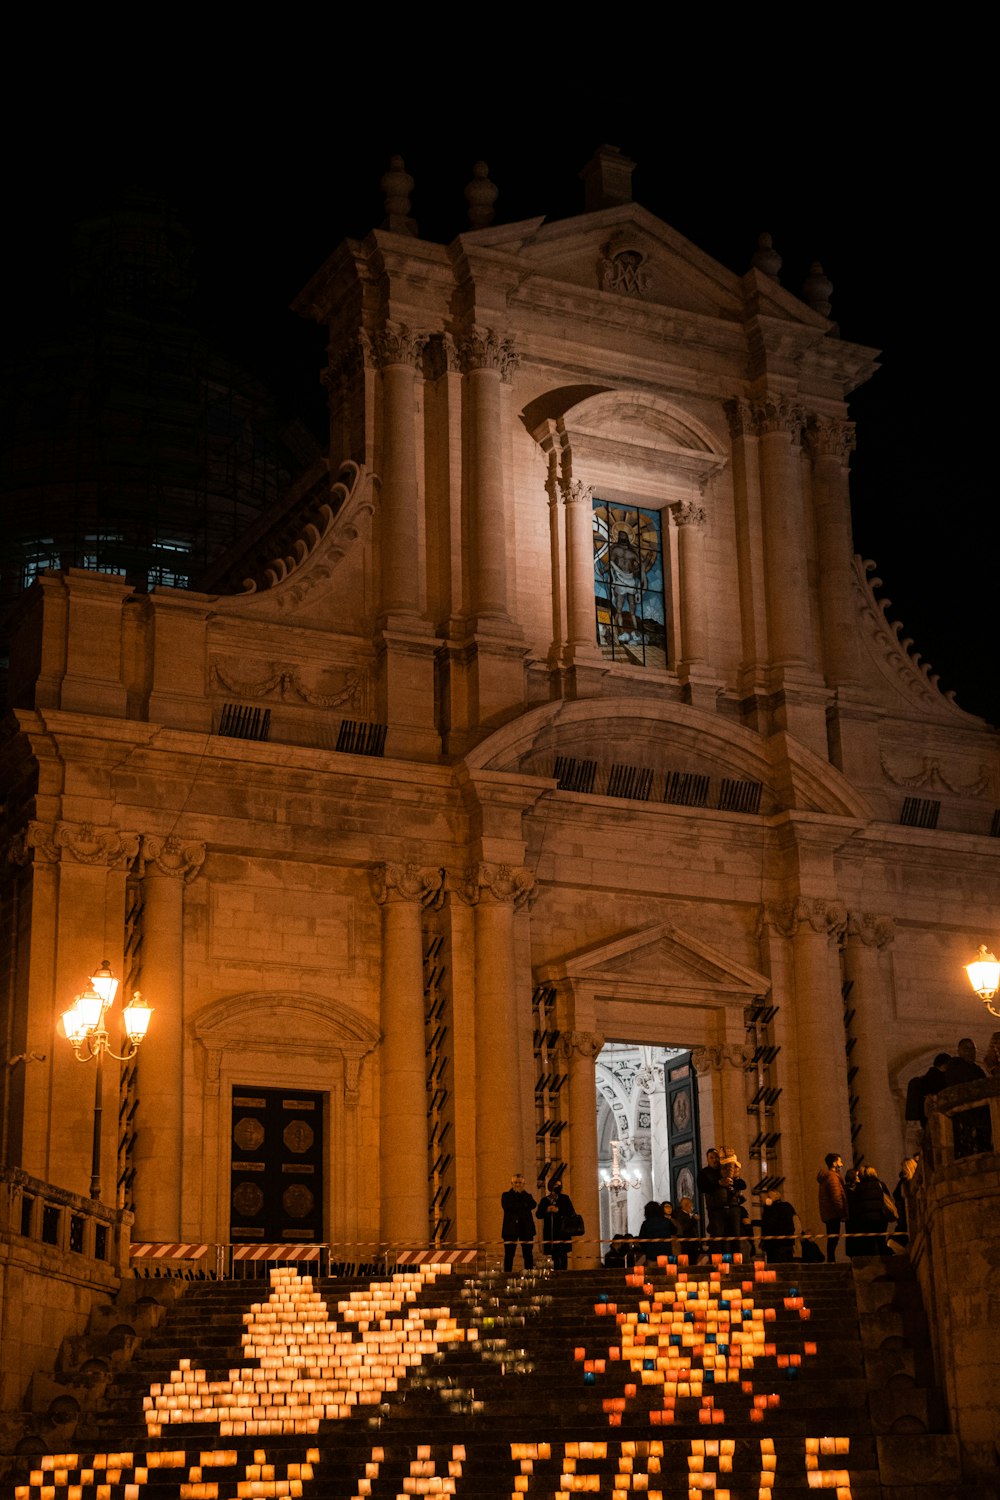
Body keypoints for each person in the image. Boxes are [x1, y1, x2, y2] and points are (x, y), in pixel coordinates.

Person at [697, 1147, 745, 1254]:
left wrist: (732, 1182)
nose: (714, 1160)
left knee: (735, 1236)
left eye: (716, 1157)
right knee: (717, 1237)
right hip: (716, 1209)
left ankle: (737, 1261)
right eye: (711, 1157)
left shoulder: (726, 1170)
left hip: (733, 1208)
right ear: (707, 1159)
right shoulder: (704, 1173)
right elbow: (702, 1187)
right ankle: (717, 1261)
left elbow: (742, 1184)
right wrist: (719, 1183)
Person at [851, 1165, 895, 1256]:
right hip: (881, 1218)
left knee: (868, 1243)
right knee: (881, 1240)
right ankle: (885, 1261)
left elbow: (855, 1204)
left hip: (865, 1219)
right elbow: (888, 1199)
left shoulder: (859, 1187)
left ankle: (871, 1263)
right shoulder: (880, 1185)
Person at [500, 1173, 536, 1272]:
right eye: (515, 1182)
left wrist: (522, 1194)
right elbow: (508, 1207)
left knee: (528, 1253)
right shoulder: (506, 1195)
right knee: (509, 1254)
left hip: (526, 1228)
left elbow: (533, 1205)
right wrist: (523, 1205)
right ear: (512, 1183)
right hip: (511, 1229)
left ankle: (529, 1273)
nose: (518, 1185)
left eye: (520, 1183)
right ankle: (507, 1274)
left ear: (523, 1184)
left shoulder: (527, 1195)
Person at [816, 1152, 848, 1262]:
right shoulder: (833, 1177)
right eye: (840, 1161)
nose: (842, 1164)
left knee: (832, 1238)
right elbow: (836, 1196)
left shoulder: (827, 1177)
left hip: (829, 1213)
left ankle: (831, 1259)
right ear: (834, 1163)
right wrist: (842, 1212)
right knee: (833, 1238)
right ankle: (831, 1260)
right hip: (833, 1213)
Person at [536, 1179, 575, 1269]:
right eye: (556, 1185)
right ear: (551, 1186)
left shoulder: (565, 1198)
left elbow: (571, 1212)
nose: (558, 1187)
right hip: (551, 1232)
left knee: (563, 1254)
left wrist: (558, 1210)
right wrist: (547, 1210)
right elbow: (538, 1214)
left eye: (559, 1185)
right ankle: (556, 1272)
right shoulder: (545, 1200)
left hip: (563, 1231)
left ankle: (564, 1272)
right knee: (555, 1256)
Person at [759, 1190, 798, 1262]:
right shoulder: (787, 1206)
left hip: (774, 1244)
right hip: (788, 1242)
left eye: (768, 1197)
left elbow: (768, 1224)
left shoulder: (771, 1208)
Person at [636, 1199, 674, 1264]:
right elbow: (674, 1231)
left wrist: (646, 1249)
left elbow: (642, 1239)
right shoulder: (666, 1221)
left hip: (652, 1253)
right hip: (665, 1252)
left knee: (652, 1272)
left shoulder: (646, 1223)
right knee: (666, 1272)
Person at [672, 1196, 702, 1262]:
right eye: (691, 1205)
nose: (692, 1207)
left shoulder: (689, 1214)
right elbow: (684, 1228)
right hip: (686, 1243)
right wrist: (694, 1220)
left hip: (693, 1243)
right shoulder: (680, 1215)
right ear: (686, 1205)